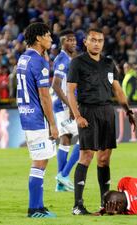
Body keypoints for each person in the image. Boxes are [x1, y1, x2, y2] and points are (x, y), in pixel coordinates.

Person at [67, 28, 136, 215]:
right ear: (86, 42)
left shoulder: (108, 63)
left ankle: (105, 204)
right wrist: (78, 115)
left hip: (107, 111)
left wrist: (128, 110)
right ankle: (78, 205)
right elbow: (70, 91)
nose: (97, 43)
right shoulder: (77, 63)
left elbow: (118, 89)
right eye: (93, 40)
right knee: (87, 155)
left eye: (100, 40)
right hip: (88, 111)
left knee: (104, 159)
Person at [16, 22, 58, 218]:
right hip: (37, 119)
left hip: (26, 115)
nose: (51, 39)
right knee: (39, 162)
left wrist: (44, 56)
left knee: (42, 161)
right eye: (48, 36)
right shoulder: (39, 62)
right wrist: (53, 124)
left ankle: (39, 206)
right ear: (39, 38)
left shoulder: (24, 58)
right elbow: (44, 96)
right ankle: (34, 209)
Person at [51, 29, 80, 192]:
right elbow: (56, 85)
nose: (73, 42)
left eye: (74, 39)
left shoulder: (68, 58)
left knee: (66, 140)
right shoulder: (62, 59)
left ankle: (60, 183)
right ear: (63, 42)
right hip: (64, 107)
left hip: (61, 106)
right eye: (69, 40)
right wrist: (70, 105)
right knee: (85, 138)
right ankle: (65, 174)